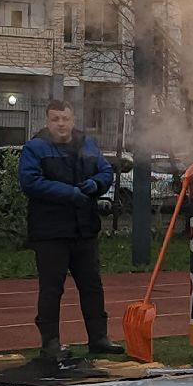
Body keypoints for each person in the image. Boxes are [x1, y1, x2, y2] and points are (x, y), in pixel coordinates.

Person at [19, 99, 119, 365]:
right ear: (47, 121)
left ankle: (99, 338)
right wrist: (70, 193)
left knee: (92, 285)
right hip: (50, 231)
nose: (61, 124)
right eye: (55, 119)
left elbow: (106, 171)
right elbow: (30, 182)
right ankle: (50, 344)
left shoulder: (87, 144)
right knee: (52, 289)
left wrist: (96, 184)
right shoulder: (35, 147)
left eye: (65, 119)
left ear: (73, 120)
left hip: (84, 229)